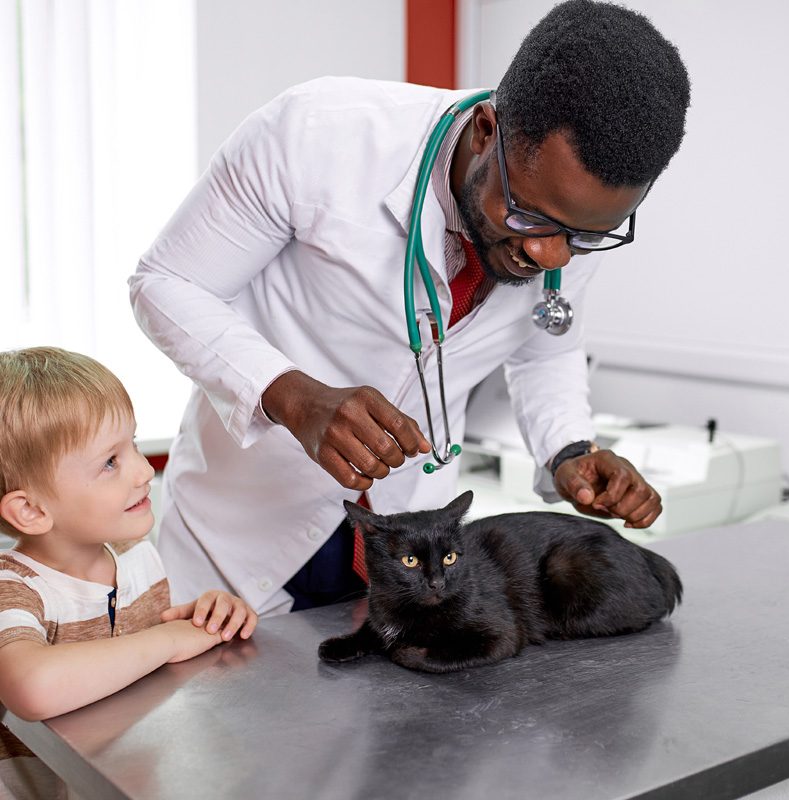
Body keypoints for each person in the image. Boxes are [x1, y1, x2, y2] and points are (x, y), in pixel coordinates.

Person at [129, 0, 691, 615]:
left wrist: (569, 452)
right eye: (528, 216)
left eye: (583, 235)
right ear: (485, 131)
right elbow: (167, 282)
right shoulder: (317, 134)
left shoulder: (573, 216)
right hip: (237, 540)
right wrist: (291, 395)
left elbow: (544, 345)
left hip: (417, 549)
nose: (548, 253)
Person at [0, 347, 257, 800]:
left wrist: (202, 616)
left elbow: (146, 660)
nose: (142, 471)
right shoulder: (14, 589)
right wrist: (168, 640)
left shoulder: (135, 555)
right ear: (31, 510)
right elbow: (30, 686)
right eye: (110, 462)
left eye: (133, 445)